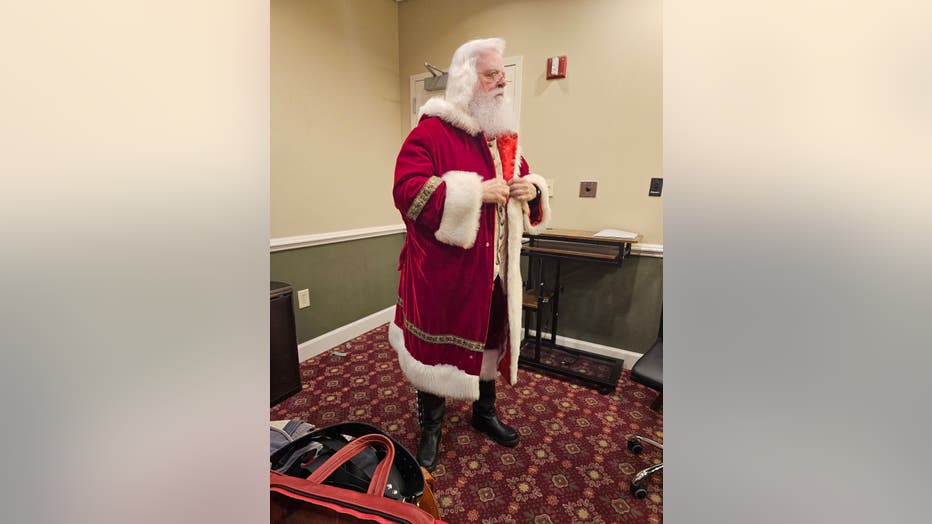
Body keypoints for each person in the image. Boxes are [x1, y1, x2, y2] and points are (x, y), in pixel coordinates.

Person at [389, 37, 552, 471]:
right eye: (491, 74)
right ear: (466, 80)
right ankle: (432, 428)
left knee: (488, 340)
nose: (502, 82)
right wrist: (473, 193)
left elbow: (525, 185)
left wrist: (531, 188)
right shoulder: (430, 131)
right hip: (443, 275)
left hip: (494, 271)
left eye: (503, 74)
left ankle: (484, 413)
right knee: (434, 354)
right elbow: (407, 192)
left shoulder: (503, 137)